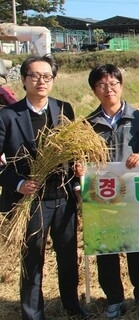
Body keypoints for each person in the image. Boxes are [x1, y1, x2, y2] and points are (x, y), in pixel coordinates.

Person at [0, 55, 89, 320]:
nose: (41, 81)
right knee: (32, 259)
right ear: (24, 80)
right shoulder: (7, 116)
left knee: (68, 254)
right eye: (35, 76)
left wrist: (77, 177)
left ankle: (71, 303)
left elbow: (72, 152)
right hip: (29, 201)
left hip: (62, 197)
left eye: (47, 76)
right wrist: (18, 184)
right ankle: (32, 312)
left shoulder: (64, 109)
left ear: (53, 80)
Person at [85, 64, 139, 319]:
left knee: (137, 246)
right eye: (102, 85)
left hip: (132, 195)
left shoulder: (138, 118)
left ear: (121, 85)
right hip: (102, 195)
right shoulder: (89, 124)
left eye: (113, 84)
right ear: (95, 90)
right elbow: (81, 158)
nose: (109, 89)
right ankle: (114, 299)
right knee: (107, 249)